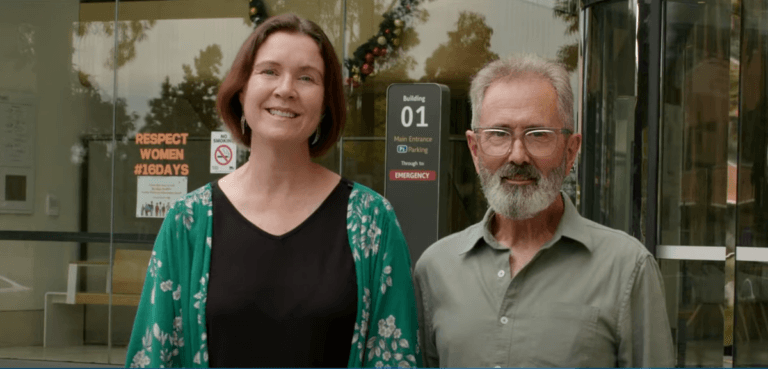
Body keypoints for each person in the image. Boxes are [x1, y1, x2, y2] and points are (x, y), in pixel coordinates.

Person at [126, 14, 421, 368]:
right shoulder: (188, 222)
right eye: (269, 71)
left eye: (307, 77)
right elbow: (155, 358)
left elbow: (395, 357)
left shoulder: (372, 221)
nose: (286, 89)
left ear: (326, 103)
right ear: (241, 90)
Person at [413, 55, 674, 367]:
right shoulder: (435, 270)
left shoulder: (626, 269)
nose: (518, 155)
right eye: (499, 134)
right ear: (474, 148)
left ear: (571, 150)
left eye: (538, 135)